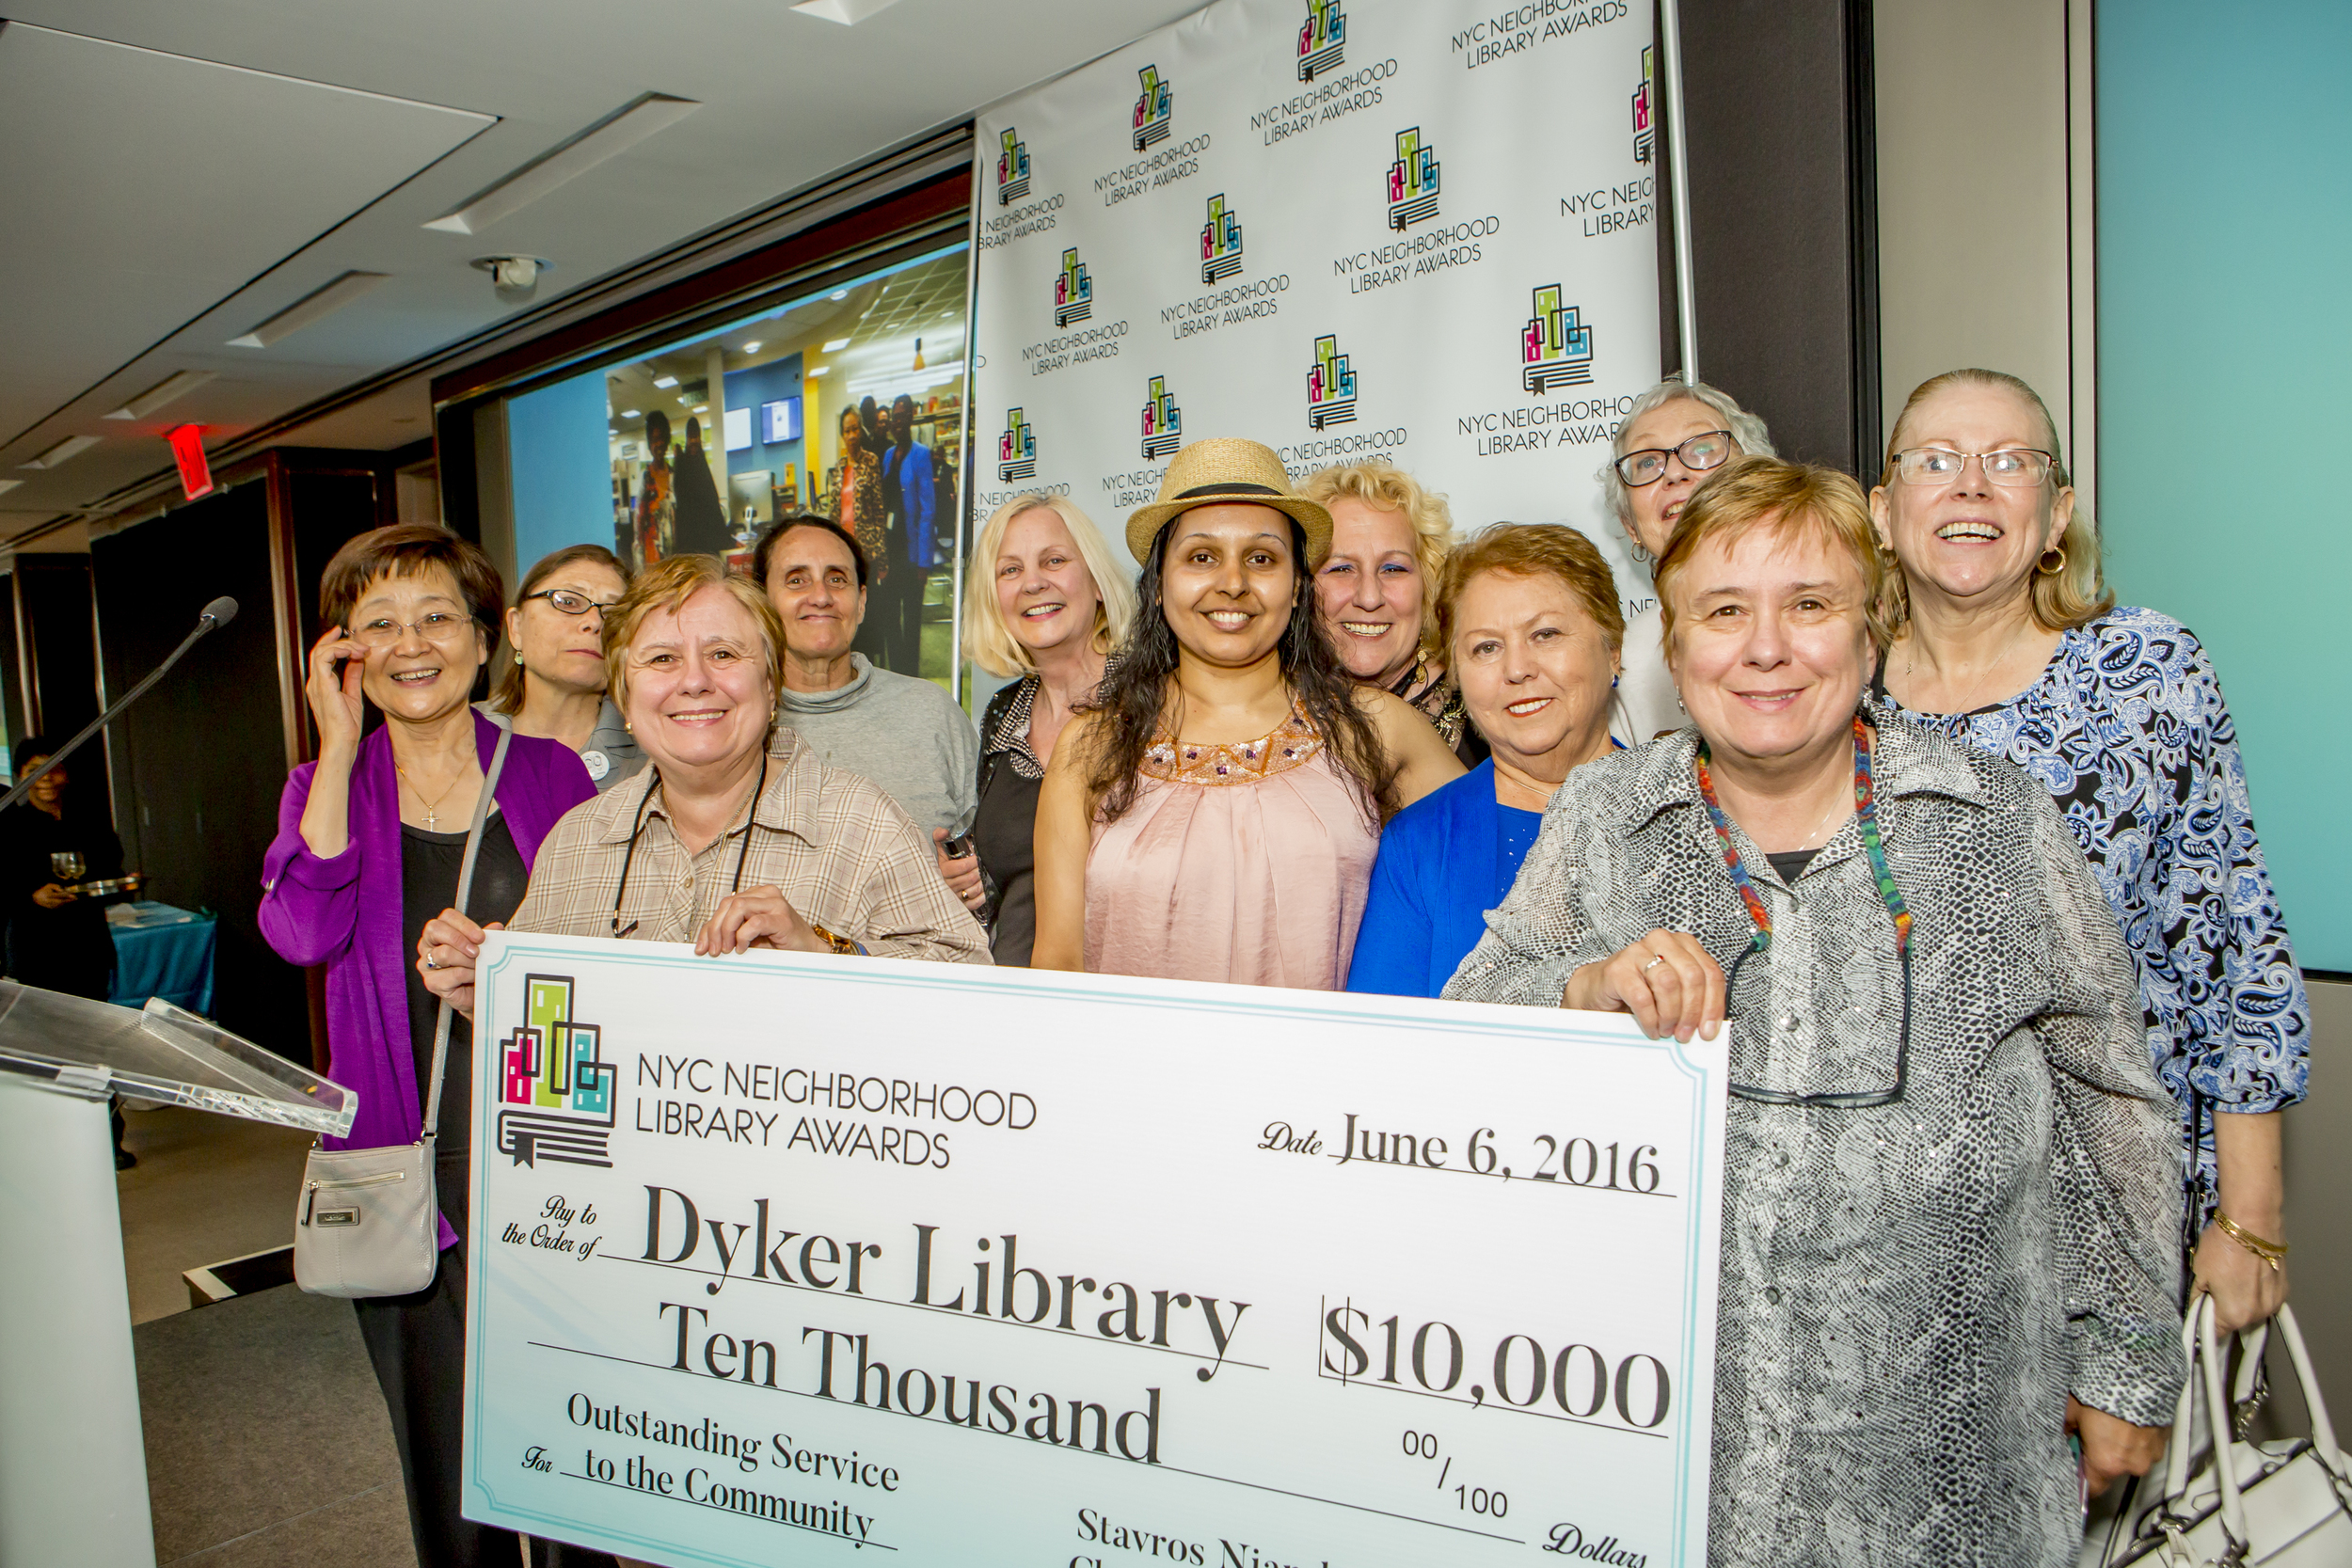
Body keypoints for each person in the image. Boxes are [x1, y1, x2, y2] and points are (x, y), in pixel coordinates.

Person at [1444, 458, 2183, 1563]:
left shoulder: (1996, 821)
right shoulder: (1605, 815)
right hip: (1679, 1449)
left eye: (1809, 604)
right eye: (1724, 611)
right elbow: (1470, 1011)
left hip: (1951, 1458)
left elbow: (2107, 1094)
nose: (1765, 647)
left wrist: (2123, 1355)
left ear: (1869, 630)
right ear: (1673, 641)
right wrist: (1584, 982)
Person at [1869, 367, 2308, 1333]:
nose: (1971, 486)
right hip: (1882, 1231)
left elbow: (2233, 947)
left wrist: (2253, 1218)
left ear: (2056, 511)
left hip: (2116, 1216)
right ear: (1883, 509)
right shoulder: (1831, 696)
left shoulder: (2148, 670)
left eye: (2009, 463)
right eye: (1934, 460)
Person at [256, 524, 598, 1568]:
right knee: (450, 1463)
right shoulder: (328, 786)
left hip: (551, 1152)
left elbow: (605, 958)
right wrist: (337, 744)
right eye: (379, 623)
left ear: (485, 641)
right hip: (406, 1170)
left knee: (582, 1438)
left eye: (438, 616)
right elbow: (301, 933)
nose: (413, 643)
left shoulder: (550, 776)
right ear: (343, 652)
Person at [416, 553, 987, 1003]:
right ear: (625, 697)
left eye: (723, 653)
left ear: (770, 687)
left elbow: (969, 989)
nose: (694, 681)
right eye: (661, 659)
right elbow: (549, 1031)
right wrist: (483, 991)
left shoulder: (859, 822)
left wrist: (822, 950)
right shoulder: (576, 842)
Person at [1031, 438, 1463, 989]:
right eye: (1202, 557)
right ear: (1159, 585)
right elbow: (1056, 968)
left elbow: (1494, 877)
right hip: (1133, 1069)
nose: (1233, 583)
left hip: (1322, 1071)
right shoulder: (1091, 747)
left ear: (1298, 585)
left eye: (1261, 558)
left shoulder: (1378, 728)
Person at [1348, 526, 1623, 998]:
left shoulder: (1696, 806)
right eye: (1486, 648)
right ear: (1457, 676)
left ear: (1613, 650)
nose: (1517, 669)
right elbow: (1382, 1049)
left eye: (1546, 634)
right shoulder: (1418, 845)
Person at [958, 494, 1137, 964]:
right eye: (1009, 570)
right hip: (1016, 999)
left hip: (1125, 1001)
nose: (1033, 583)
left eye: (1054, 561)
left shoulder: (1153, 698)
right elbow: (1011, 878)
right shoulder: (1003, 712)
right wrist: (974, 879)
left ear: (1097, 582)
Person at [754, 515, 979, 843]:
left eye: (837, 579)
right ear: (761, 602)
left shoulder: (930, 710)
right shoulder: (739, 724)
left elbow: (995, 844)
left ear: (861, 603)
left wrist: (973, 875)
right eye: (796, 580)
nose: (820, 596)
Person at [1597, 378, 1777, 742]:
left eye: (1702, 449)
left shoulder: (1822, 608)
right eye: (1647, 462)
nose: (1675, 472)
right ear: (1630, 525)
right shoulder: (1621, 663)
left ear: (1759, 476)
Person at [0, 737, 132, 1165]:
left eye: (54, 767)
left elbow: (110, 872)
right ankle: (55, 1146)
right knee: (47, 1049)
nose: (46, 779)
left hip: (87, 947)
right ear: (20, 778)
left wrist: (110, 886)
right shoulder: (9, 825)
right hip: (38, 952)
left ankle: (108, 1141)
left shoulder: (88, 820)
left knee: (97, 1045)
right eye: (34, 770)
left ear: (66, 774)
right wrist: (29, 895)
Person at [1304, 458, 1485, 765]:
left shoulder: (1489, 713)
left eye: (1393, 568)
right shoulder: (1272, 713)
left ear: (1427, 584)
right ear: (1300, 586)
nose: (1370, 597)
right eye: (1342, 568)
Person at [486, 544, 642, 791]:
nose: (593, 622)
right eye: (568, 601)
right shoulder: (457, 736)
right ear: (516, 627)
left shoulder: (656, 753)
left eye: (612, 614)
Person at [866, 392, 937, 673]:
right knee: (891, 616)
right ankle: (897, 672)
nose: (897, 422)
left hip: (912, 552)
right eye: (894, 417)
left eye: (902, 416)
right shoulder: (886, 456)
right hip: (890, 551)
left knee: (913, 618)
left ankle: (912, 674)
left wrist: (923, 562)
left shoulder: (920, 454)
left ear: (910, 418)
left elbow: (928, 509)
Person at [830, 404, 887, 657]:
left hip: (867, 552)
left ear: (861, 432)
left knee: (868, 616)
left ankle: (870, 666)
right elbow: (833, 513)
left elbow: (878, 511)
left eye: (855, 429)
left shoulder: (871, 462)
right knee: (847, 612)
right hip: (843, 553)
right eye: (847, 431)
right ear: (842, 435)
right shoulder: (837, 468)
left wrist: (881, 556)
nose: (851, 435)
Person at [669, 414, 733, 555]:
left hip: (707, 537)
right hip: (690, 537)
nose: (694, 441)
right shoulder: (682, 462)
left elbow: (711, 499)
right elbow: (682, 499)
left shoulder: (701, 461)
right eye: (691, 437)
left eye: (696, 436)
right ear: (686, 438)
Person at [633, 408, 675, 570]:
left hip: (673, 554)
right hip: (651, 556)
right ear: (650, 443)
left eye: (662, 439)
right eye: (655, 439)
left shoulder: (674, 476)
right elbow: (638, 523)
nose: (659, 444)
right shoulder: (644, 479)